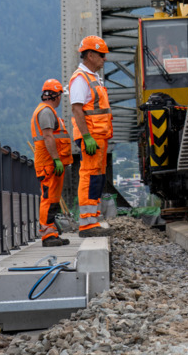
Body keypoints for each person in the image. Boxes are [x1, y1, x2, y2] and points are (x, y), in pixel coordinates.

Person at [69, 35, 113, 236]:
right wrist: (86, 137)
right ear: (90, 54)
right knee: (89, 175)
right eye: (101, 55)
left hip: (98, 136)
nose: (104, 58)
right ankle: (87, 224)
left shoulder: (93, 78)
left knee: (97, 176)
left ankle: (92, 219)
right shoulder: (81, 78)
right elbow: (77, 110)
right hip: (91, 136)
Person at [30, 79, 73, 246]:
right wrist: (56, 159)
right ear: (56, 96)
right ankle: (47, 235)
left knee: (53, 198)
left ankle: (52, 234)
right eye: (60, 95)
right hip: (49, 163)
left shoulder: (47, 111)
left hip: (51, 164)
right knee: (48, 198)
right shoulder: (46, 112)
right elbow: (48, 137)